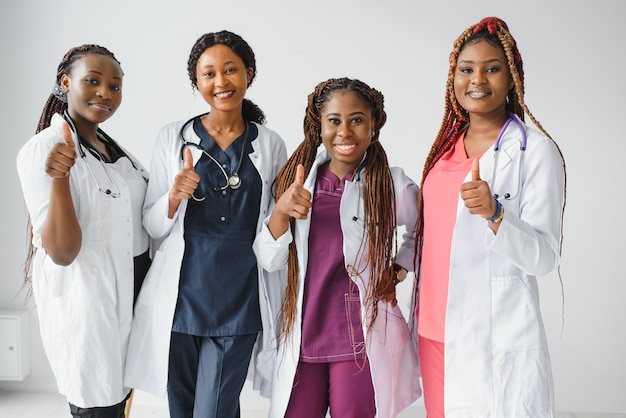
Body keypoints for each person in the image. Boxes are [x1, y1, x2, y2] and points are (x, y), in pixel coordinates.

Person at [123, 30, 287, 418]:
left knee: (212, 409)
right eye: (208, 74)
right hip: (181, 297)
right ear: (196, 82)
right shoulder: (173, 137)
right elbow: (153, 226)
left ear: (249, 73)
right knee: (183, 409)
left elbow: (271, 227)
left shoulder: (270, 144)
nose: (220, 82)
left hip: (239, 297)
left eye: (230, 70)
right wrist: (174, 196)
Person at [411, 16, 566, 417]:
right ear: (453, 78)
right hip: (433, 329)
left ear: (511, 77)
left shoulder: (535, 152)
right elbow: (436, 235)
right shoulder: (444, 150)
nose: (476, 79)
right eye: (466, 69)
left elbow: (545, 257)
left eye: (491, 68)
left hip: (492, 333)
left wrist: (496, 214)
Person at [253, 77, 422, 418]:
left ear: (373, 125)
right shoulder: (295, 181)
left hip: (358, 336)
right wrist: (282, 211)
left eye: (356, 119)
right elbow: (268, 258)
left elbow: (423, 231)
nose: (345, 131)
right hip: (302, 330)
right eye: (334, 121)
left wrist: (399, 267)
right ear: (320, 126)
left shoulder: (391, 185)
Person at [16, 44, 150, 417]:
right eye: (92, 81)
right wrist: (59, 179)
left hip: (131, 298)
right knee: (98, 407)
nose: (105, 93)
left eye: (115, 86)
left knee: (120, 403)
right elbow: (60, 251)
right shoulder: (43, 149)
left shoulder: (112, 149)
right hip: (91, 308)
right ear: (65, 82)